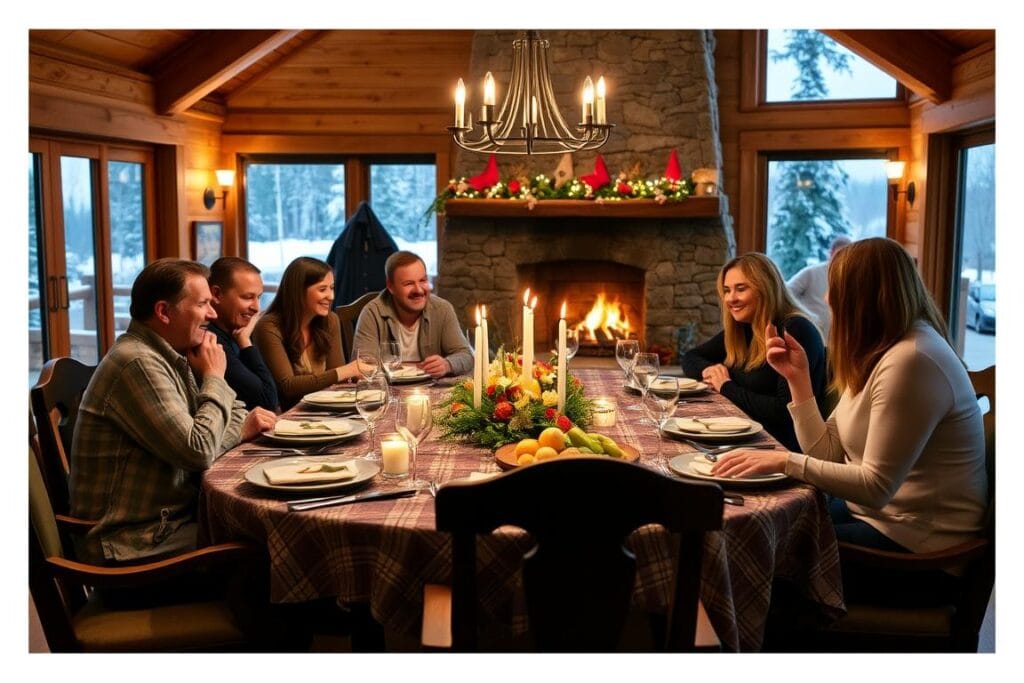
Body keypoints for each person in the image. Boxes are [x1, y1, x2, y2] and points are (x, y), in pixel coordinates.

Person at [712, 238, 987, 603]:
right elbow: (826, 452)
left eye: (836, 289)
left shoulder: (913, 359)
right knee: (759, 525)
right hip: (876, 518)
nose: (827, 300)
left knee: (762, 554)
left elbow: (875, 486)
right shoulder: (880, 352)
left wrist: (784, 460)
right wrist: (799, 381)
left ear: (867, 296)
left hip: (919, 550)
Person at [69, 258, 277, 565]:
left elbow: (234, 415)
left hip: (169, 524)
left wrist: (223, 433)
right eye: (203, 304)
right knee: (272, 548)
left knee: (271, 535)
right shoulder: (137, 362)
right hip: (132, 545)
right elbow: (199, 451)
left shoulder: (172, 352)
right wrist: (214, 378)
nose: (212, 313)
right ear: (164, 312)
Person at [680, 252, 826, 451]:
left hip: (779, 447)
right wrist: (712, 371)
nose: (731, 299)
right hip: (744, 435)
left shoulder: (794, 330)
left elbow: (784, 412)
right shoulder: (744, 327)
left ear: (765, 288)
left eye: (741, 289)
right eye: (726, 290)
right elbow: (691, 357)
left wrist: (725, 386)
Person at [253, 256, 367, 410]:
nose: (331, 296)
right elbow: (288, 387)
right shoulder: (268, 326)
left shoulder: (329, 320)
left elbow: (336, 378)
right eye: (322, 289)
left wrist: (348, 373)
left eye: (332, 288)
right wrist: (347, 370)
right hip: (286, 415)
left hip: (326, 409)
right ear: (298, 291)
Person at [352, 250, 473, 378]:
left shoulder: (442, 309)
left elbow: (466, 356)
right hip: (388, 392)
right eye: (409, 283)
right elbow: (362, 366)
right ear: (390, 286)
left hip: (433, 392)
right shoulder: (372, 313)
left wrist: (447, 364)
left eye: (422, 280)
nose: (419, 290)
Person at [208, 256, 279, 411]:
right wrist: (245, 342)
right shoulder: (212, 340)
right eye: (248, 297)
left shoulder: (236, 329)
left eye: (259, 297)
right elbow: (268, 400)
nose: (256, 307)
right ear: (217, 294)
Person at [786, 235, 852, 341]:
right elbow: (786, 294)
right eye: (840, 254)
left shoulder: (851, 278)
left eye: (847, 255)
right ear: (831, 253)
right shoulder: (812, 273)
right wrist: (801, 317)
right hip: (810, 335)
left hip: (837, 340)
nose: (843, 258)